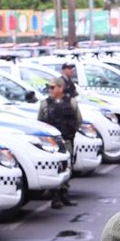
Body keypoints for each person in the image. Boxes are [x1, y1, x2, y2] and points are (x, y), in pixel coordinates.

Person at [37, 77, 80, 209]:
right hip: (52, 143)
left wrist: (70, 132)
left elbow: (78, 120)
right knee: (55, 167)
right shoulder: (45, 103)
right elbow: (40, 122)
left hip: (66, 140)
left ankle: (64, 193)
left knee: (68, 166)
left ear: (61, 88)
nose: (50, 90)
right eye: (49, 87)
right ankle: (54, 196)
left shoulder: (71, 102)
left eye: (53, 87)